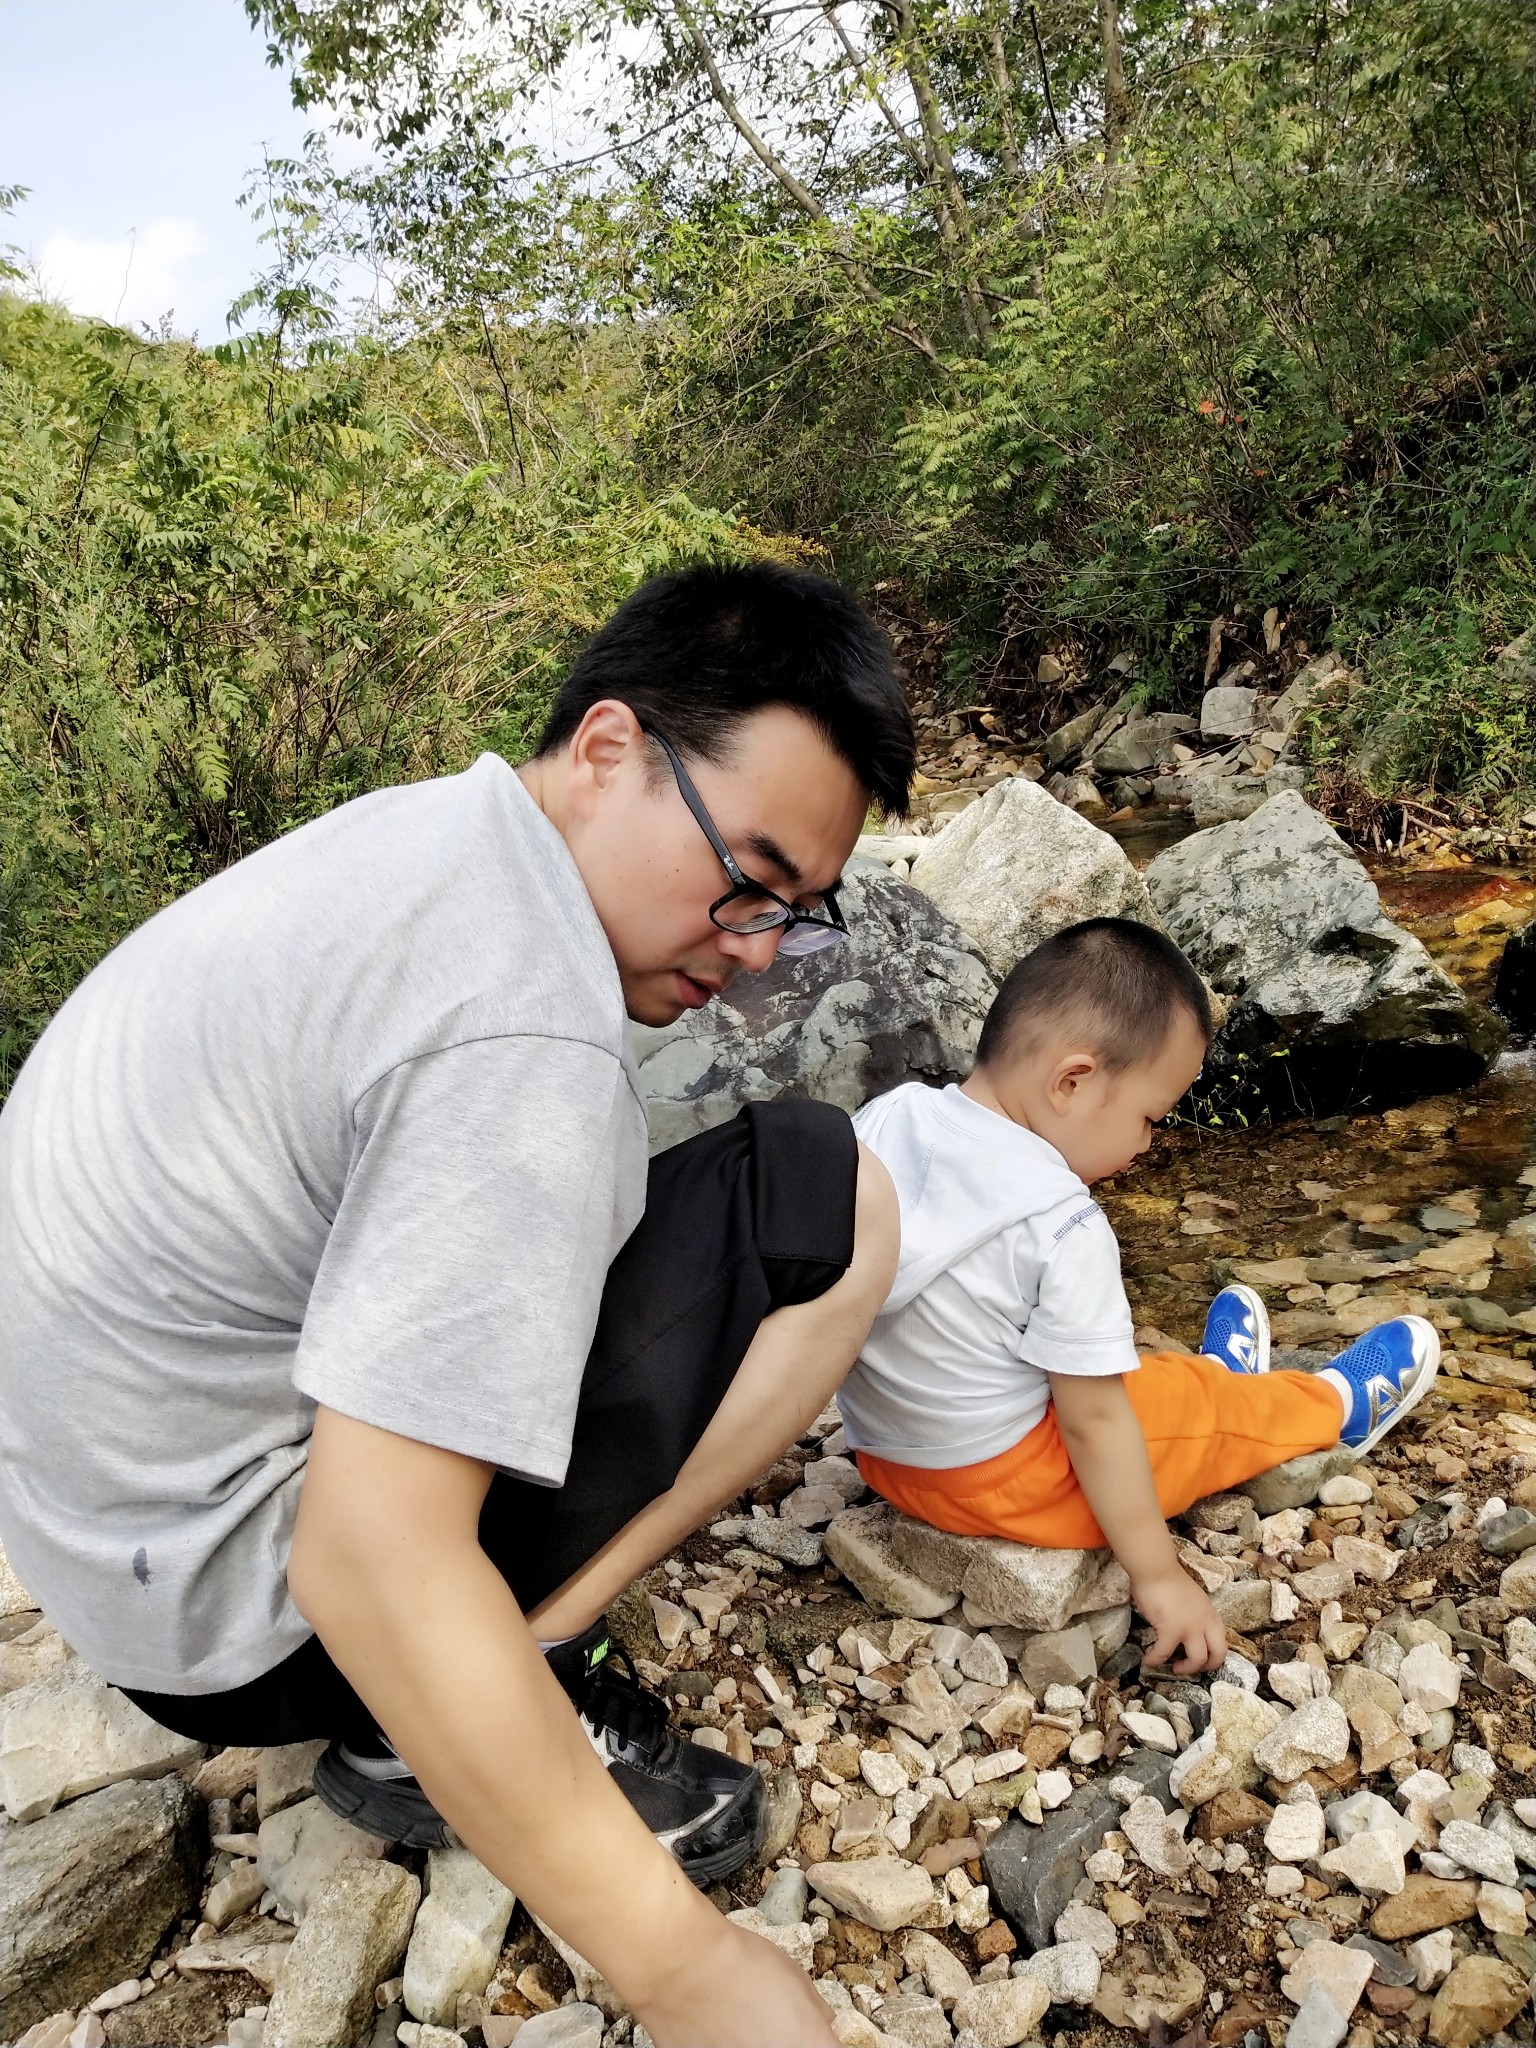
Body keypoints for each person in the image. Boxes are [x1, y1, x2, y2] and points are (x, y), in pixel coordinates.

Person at [0, 561, 917, 2048]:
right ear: (611, 748)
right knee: (838, 1202)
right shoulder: (520, 1026)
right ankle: (457, 1705)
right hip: (240, 1621)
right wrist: (693, 1975)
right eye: (746, 878)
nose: (755, 946)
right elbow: (366, 1558)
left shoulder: (436, 836)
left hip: (99, 1538)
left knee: (751, 1184)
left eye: (797, 914)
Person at [840, 918, 1441, 1675]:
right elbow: (1093, 1423)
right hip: (1008, 1484)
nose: (1148, 1145)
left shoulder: (888, 1118)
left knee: (1140, 1375)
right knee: (1186, 1411)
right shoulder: (1059, 1220)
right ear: (1073, 1081)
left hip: (886, 1459)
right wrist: (1159, 1576)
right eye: (1149, 1118)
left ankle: (1221, 1376)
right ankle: (1331, 1407)